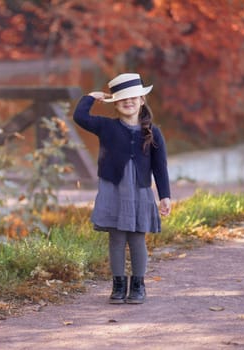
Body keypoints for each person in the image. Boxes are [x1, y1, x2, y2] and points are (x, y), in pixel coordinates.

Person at [73, 73, 171, 304]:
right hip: (113, 189)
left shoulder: (153, 131)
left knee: (137, 239)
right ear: (115, 103)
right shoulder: (106, 126)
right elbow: (79, 116)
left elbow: (160, 166)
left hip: (139, 191)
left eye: (133, 98)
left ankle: (138, 285)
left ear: (142, 100)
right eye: (123, 99)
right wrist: (91, 97)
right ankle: (118, 285)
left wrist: (165, 196)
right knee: (116, 239)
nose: (129, 102)